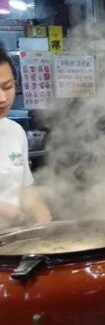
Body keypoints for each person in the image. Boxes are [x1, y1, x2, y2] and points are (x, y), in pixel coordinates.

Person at [0, 49, 51, 227]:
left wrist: (37, 208)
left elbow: (24, 187)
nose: (2, 98)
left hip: (13, 241)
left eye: (7, 87)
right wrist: (4, 210)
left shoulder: (15, 132)